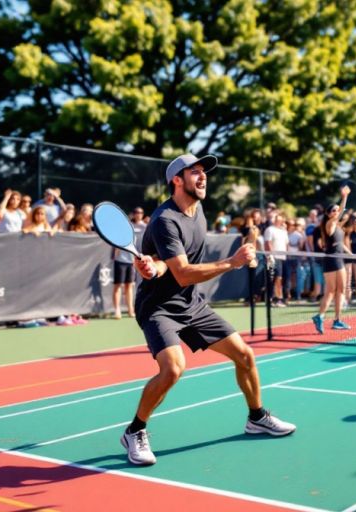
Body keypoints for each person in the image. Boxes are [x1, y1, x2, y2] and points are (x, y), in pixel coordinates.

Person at [123, 154, 295, 466]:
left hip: (190, 303)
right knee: (173, 368)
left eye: (204, 172)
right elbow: (184, 272)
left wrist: (154, 266)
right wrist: (231, 263)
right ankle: (135, 430)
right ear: (177, 180)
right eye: (195, 172)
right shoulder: (165, 220)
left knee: (245, 355)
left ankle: (257, 417)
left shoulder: (198, 211)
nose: (203, 178)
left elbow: (167, 264)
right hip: (158, 308)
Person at [312, 186, 352, 333]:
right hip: (331, 260)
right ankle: (320, 316)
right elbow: (342, 210)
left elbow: (340, 243)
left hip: (339, 259)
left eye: (337, 210)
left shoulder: (338, 226)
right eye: (333, 210)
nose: (337, 212)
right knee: (330, 291)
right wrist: (344, 196)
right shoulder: (330, 223)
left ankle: (337, 320)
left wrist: (352, 255)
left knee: (340, 290)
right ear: (329, 214)